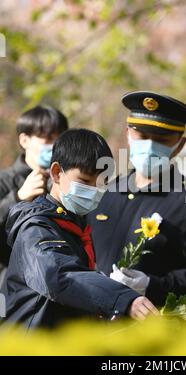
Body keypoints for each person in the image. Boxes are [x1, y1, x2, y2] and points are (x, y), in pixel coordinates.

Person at [3, 128, 158, 329]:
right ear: (57, 173)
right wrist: (123, 299)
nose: (93, 190)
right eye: (84, 181)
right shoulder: (35, 226)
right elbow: (59, 275)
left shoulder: (75, 222)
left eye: (100, 183)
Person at [88, 91, 186, 306]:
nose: (150, 147)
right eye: (143, 137)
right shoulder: (105, 193)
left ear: (179, 145)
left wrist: (153, 285)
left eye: (161, 140)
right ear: (128, 134)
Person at [0, 105, 68, 270]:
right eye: (48, 138)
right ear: (24, 140)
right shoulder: (4, 181)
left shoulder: (64, 182)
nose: (54, 146)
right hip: (10, 284)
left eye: (59, 139)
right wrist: (17, 198)